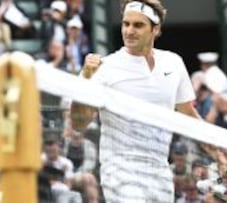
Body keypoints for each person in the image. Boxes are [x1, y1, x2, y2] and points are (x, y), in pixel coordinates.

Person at [70, 0, 202, 202]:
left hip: (160, 169)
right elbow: (78, 123)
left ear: (155, 30)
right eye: (126, 24)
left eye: (138, 25)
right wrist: (86, 79)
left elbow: (189, 115)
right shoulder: (104, 67)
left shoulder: (173, 63)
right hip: (119, 169)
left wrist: (218, 151)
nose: (129, 31)